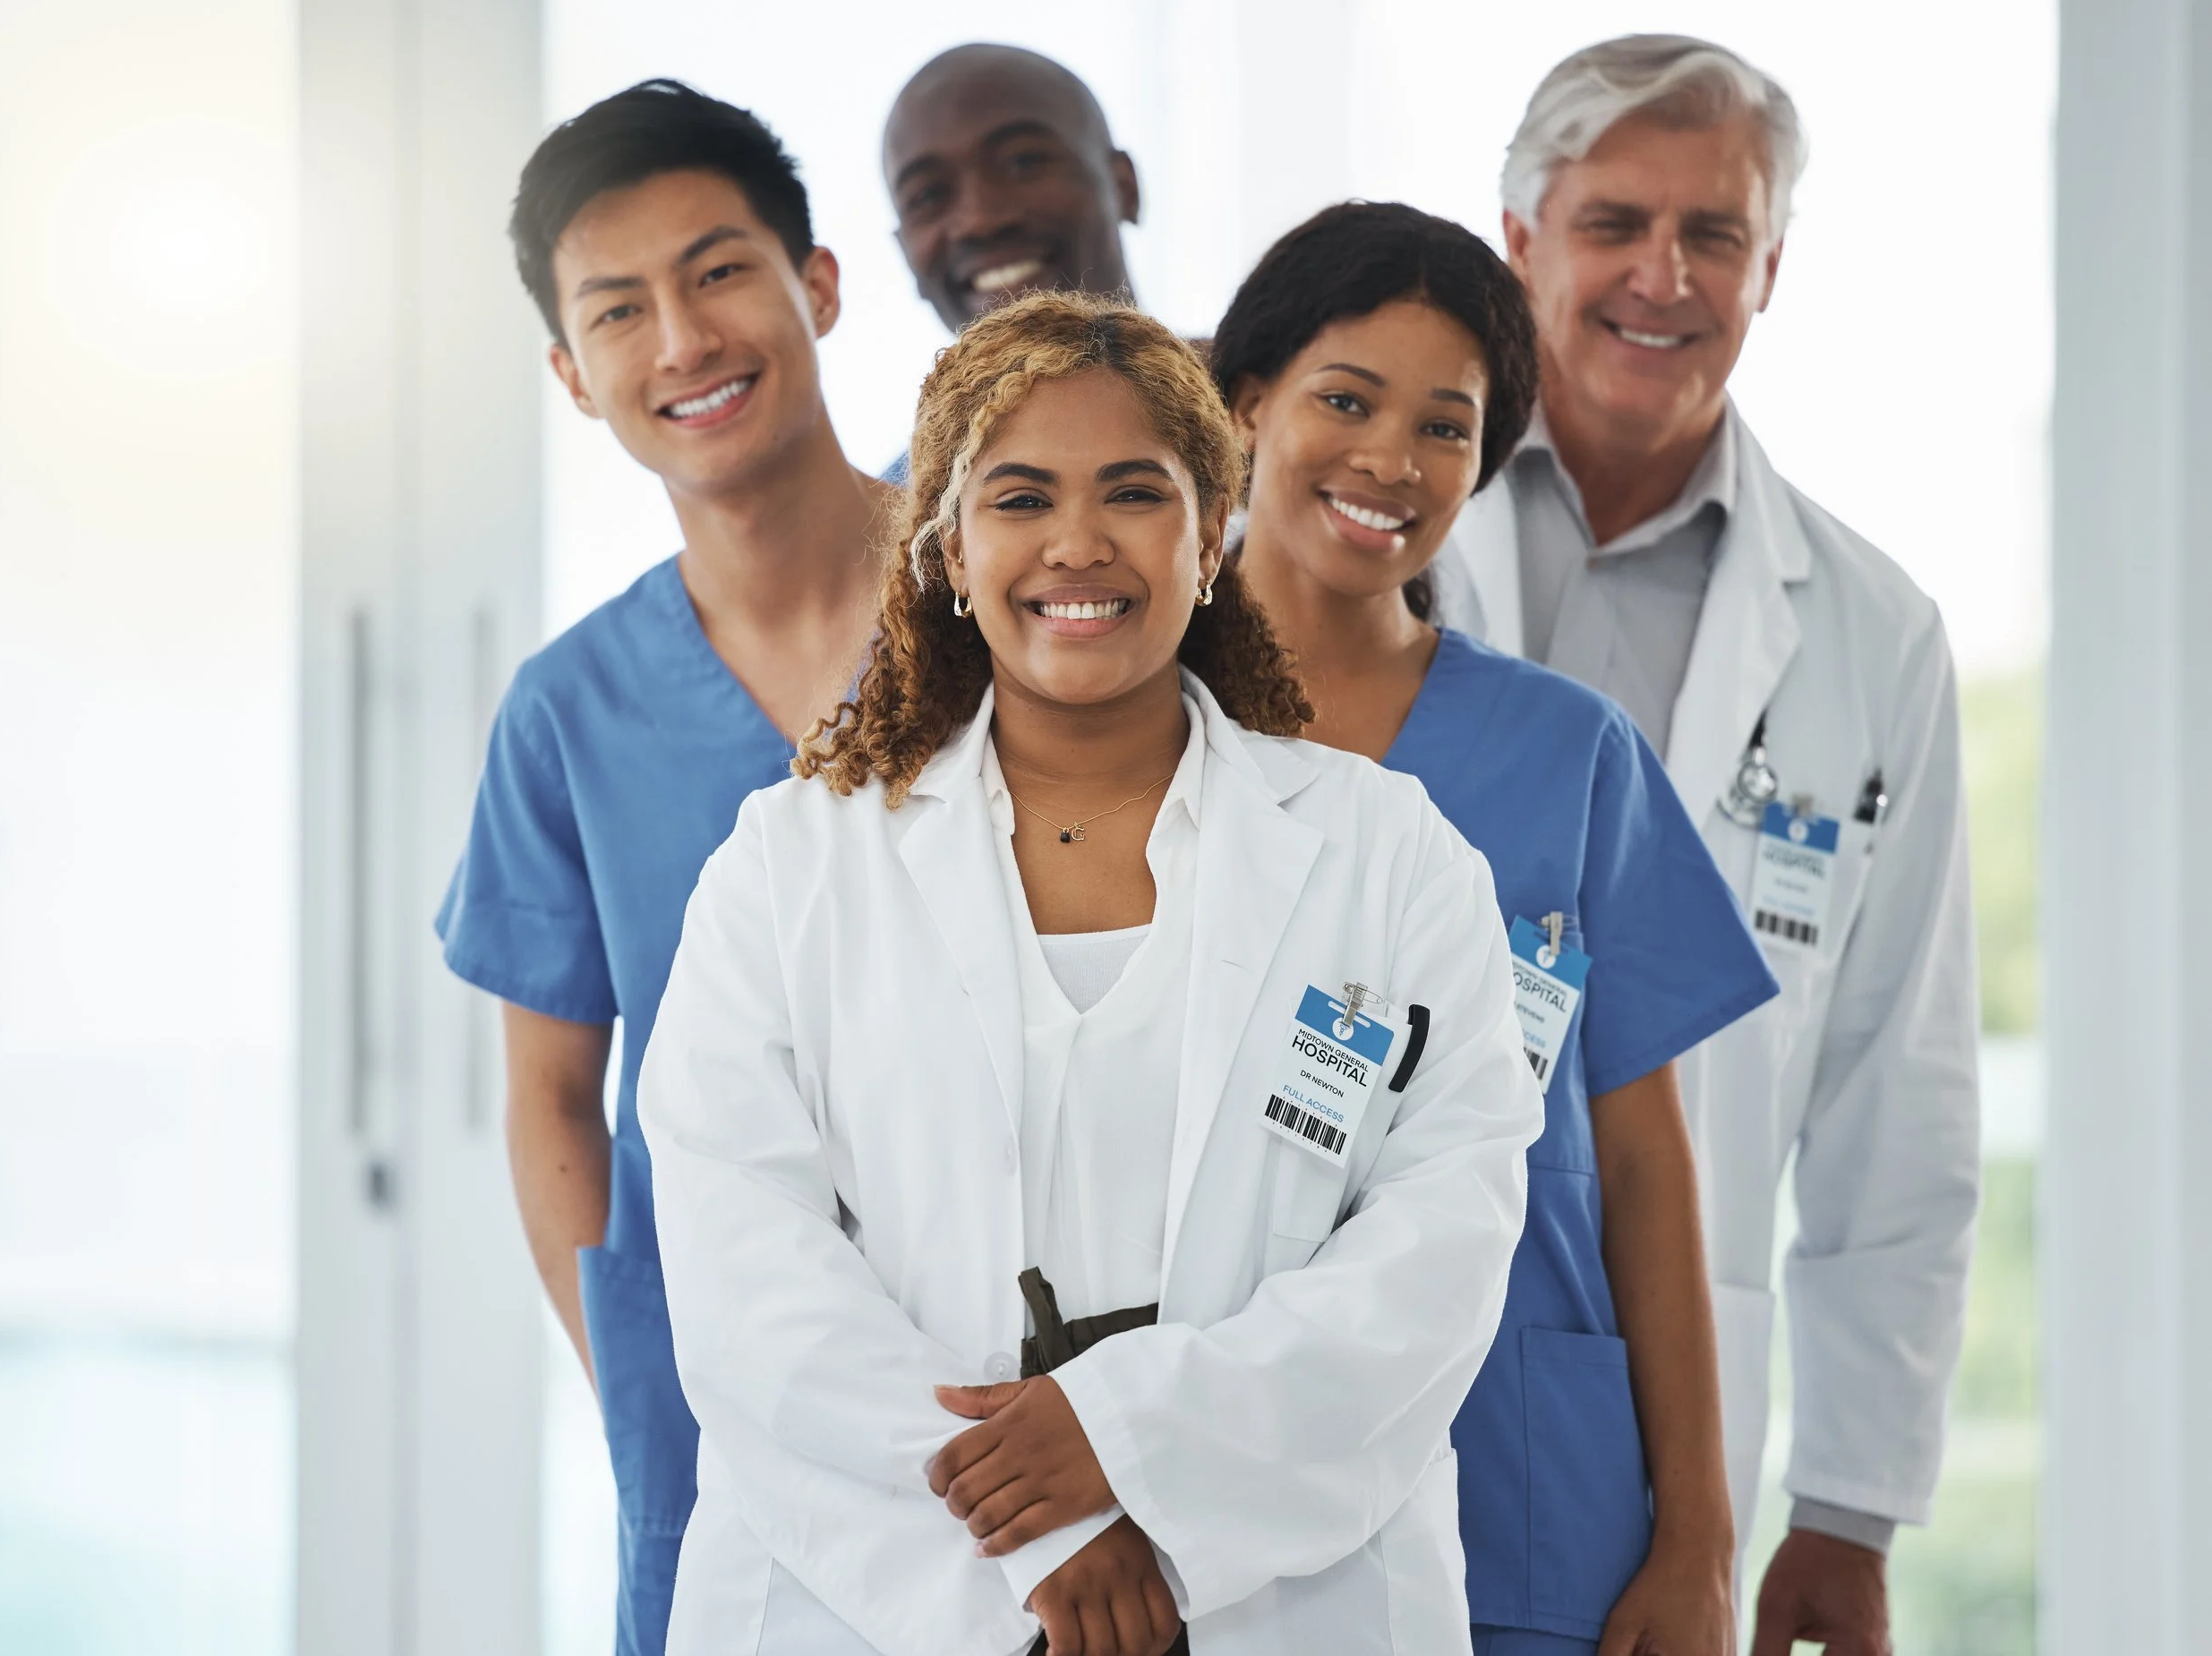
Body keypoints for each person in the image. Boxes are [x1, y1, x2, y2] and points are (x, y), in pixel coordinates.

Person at [640, 291, 1545, 1655]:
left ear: (1209, 535)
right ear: (948, 545)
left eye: (1136, 492)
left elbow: (1442, 1244)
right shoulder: (789, 868)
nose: (1079, 542)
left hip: (1283, 1604)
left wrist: (1132, 1450)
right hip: (879, 1598)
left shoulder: (1390, 857)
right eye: (1018, 498)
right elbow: (744, 1269)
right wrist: (1052, 1537)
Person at [1433, 37, 1981, 1653]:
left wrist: (1852, 1504)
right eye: (1613, 224)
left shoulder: (1873, 637)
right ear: (1520, 242)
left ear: (1772, 270)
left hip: (1677, 1394)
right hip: (1347, 1316)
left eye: (1715, 235)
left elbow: (1902, 1094)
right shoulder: (1346, 543)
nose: (1662, 277)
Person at [1218, 201, 1781, 1655]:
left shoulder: (1570, 759)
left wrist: (1703, 1538)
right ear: (1244, 405)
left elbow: (1648, 1163)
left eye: (1447, 427)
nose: (1392, 461)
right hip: (1206, 1462)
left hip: (1525, 1472)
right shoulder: (1123, 735)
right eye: (1346, 400)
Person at [433, 81, 892, 1655]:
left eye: (718, 272)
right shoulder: (572, 711)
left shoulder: (1013, 608)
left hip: (1028, 1356)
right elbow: (554, 1095)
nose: (683, 341)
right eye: (619, 311)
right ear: (573, 375)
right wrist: (637, 1370)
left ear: (816, 285)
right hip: (718, 1397)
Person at [883, 44, 1140, 334]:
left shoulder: (1202, 376)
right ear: (905, 251)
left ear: (1124, 187)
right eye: (929, 195)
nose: (980, 221)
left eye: (1023, 162)